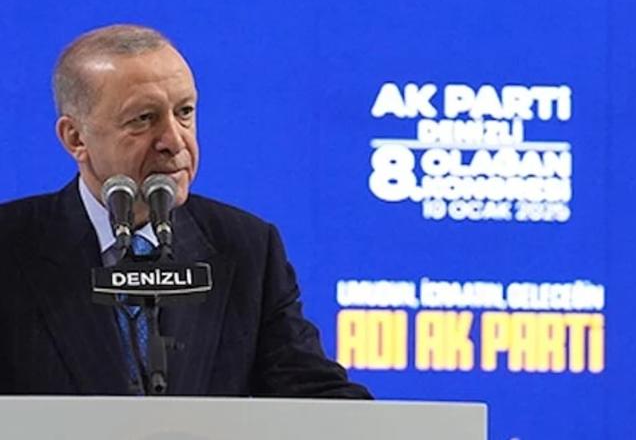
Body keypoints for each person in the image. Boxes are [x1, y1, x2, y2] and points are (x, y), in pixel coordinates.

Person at [0, 24, 371, 398]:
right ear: (75, 138)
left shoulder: (247, 247)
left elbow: (311, 392)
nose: (175, 141)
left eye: (185, 112)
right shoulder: (11, 245)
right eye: (143, 118)